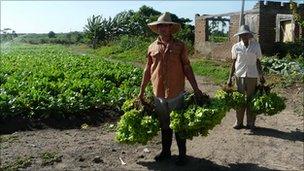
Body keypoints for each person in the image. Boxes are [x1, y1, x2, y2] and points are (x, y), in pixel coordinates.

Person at [138, 12, 204, 166]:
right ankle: (166, 152)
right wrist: (141, 90)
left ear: (171, 28)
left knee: (179, 124)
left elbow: (187, 67)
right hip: (158, 93)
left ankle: (182, 155)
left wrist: (196, 88)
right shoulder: (152, 47)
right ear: (157, 28)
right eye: (160, 26)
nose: (163, 28)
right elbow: (148, 69)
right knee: (164, 124)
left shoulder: (180, 45)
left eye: (166, 25)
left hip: (176, 92)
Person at [227, 25, 265, 130]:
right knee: (239, 100)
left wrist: (261, 75)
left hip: (252, 76)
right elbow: (234, 62)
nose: (244, 36)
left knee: (251, 99)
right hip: (239, 76)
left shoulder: (256, 46)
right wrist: (229, 78)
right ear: (239, 36)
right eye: (242, 35)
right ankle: (239, 122)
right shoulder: (236, 47)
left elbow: (258, 61)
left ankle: (250, 123)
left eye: (245, 34)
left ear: (249, 35)